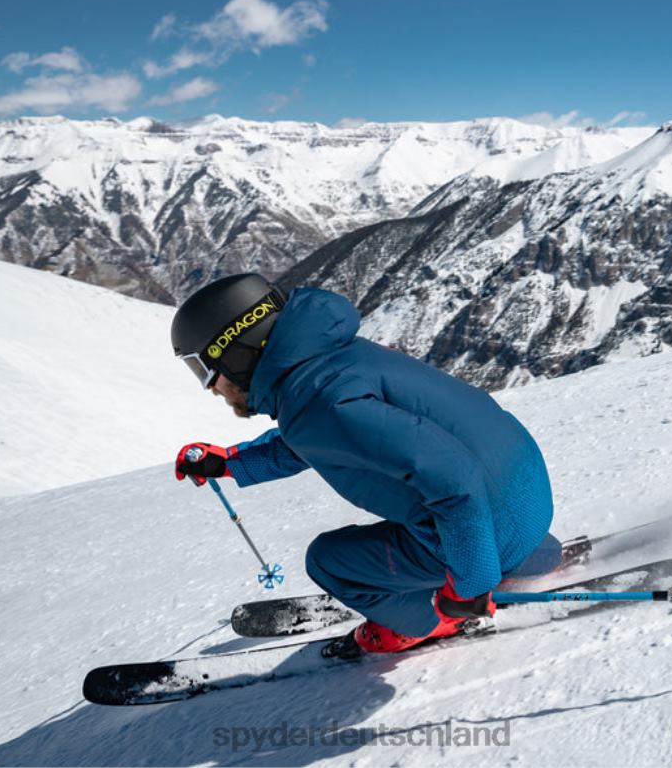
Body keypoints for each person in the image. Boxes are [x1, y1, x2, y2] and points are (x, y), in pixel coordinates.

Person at [172, 273, 556, 658]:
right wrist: (230, 463)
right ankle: (525, 556)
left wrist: (469, 587)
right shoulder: (331, 362)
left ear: (236, 349)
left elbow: (456, 478)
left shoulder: (320, 404)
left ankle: (425, 622)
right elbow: (320, 440)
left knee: (329, 562)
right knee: (446, 515)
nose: (209, 387)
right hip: (528, 504)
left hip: (493, 532)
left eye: (202, 368)